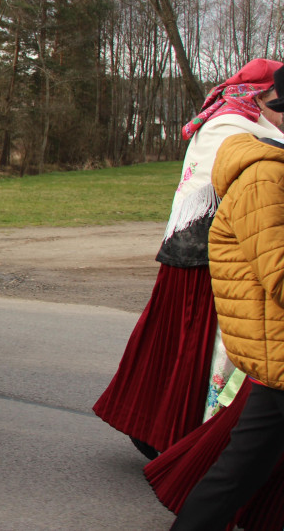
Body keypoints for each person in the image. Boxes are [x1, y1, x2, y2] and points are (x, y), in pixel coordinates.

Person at [93, 59, 284, 458]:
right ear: (257, 97)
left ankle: (168, 433)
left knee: (183, 348)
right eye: (276, 100)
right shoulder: (231, 126)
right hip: (206, 259)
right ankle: (180, 438)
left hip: (203, 252)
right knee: (193, 349)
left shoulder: (232, 122)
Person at [162, 128, 284, 529]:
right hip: (275, 344)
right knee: (239, 471)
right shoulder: (264, 178)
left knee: (242, 470)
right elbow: (278, 274)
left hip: (275, 348)